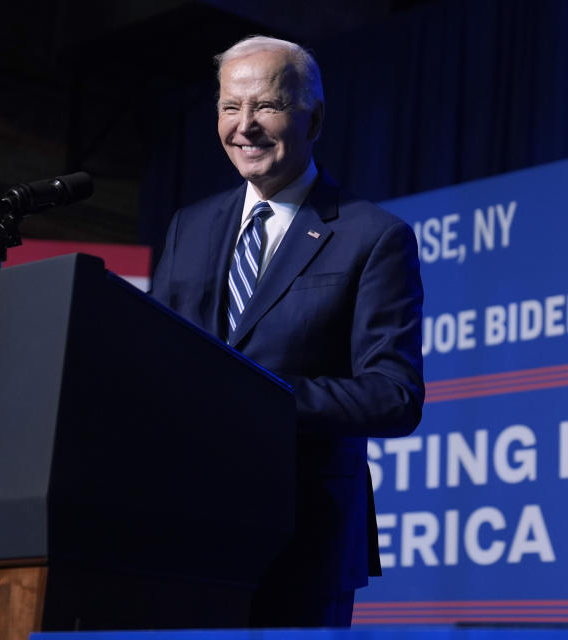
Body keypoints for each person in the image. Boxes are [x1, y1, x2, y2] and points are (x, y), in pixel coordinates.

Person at [150, 35, 424, 627]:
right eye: (229, 108)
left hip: (304, 539)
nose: (244, 126)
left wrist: (253, 392)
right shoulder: (188, 227)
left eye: (266, 107)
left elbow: (394, 395)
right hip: (180, 530)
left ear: (314, 118)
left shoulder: (373, 235)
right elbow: (156, 359)